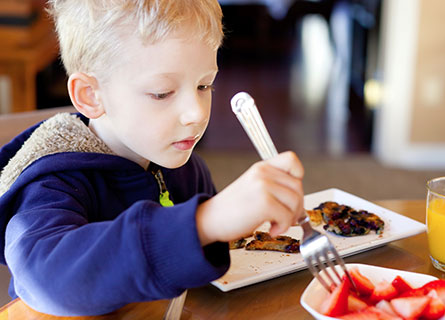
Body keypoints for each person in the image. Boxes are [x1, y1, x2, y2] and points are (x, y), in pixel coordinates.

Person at [0, 0, 304, 316]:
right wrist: (205, 221)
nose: (196, 113)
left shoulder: (184, 169)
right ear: (92, 95)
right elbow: (47, 281)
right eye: (161, 93)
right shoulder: (50, 185)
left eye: (204, 85)